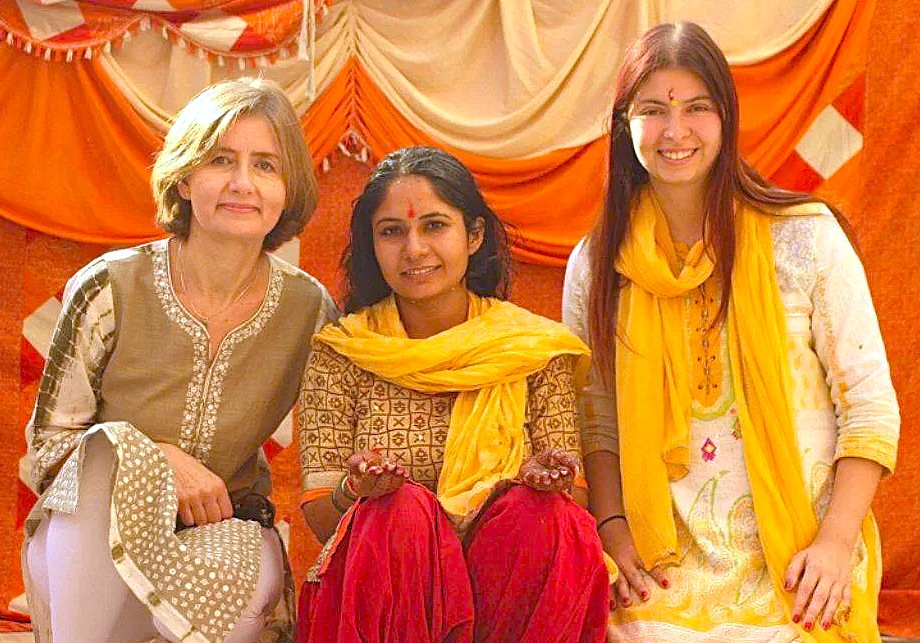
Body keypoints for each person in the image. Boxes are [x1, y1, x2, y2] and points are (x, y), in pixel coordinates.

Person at [562, 21, 900, 643]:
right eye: (653, 110)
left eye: (697, 108)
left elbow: (871, 408)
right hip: (663, 563)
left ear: (727, 117)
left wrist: (833, 544)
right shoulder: (596, 264)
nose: (675, 131)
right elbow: (596, 420)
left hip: (799, 551)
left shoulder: (804, 237)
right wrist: (613, 531)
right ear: (623, 125)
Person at [23, 77, 337, 642]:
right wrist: (154, 457)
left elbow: (331, 454)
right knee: (105, 450)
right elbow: (48, 451)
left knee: (248, 555)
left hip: (220, 536)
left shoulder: (309, 309)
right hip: (90, 533)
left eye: (266, 165)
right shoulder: (110, 286)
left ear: (288, 189)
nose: (243, 183)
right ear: (186, 176)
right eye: (222, 160)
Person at [296, 146, 610, 642]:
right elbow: (318, 513)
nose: (415, 249)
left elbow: (573, 495)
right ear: (372, 246)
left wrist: (534, 485)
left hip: (505, 590)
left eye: (435, 226)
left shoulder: (532, 350)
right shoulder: (345, 352)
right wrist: (356, 492)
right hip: (392, 600)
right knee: (395, 513)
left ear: (475, 234)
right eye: (392, 231)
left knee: (546, 516)